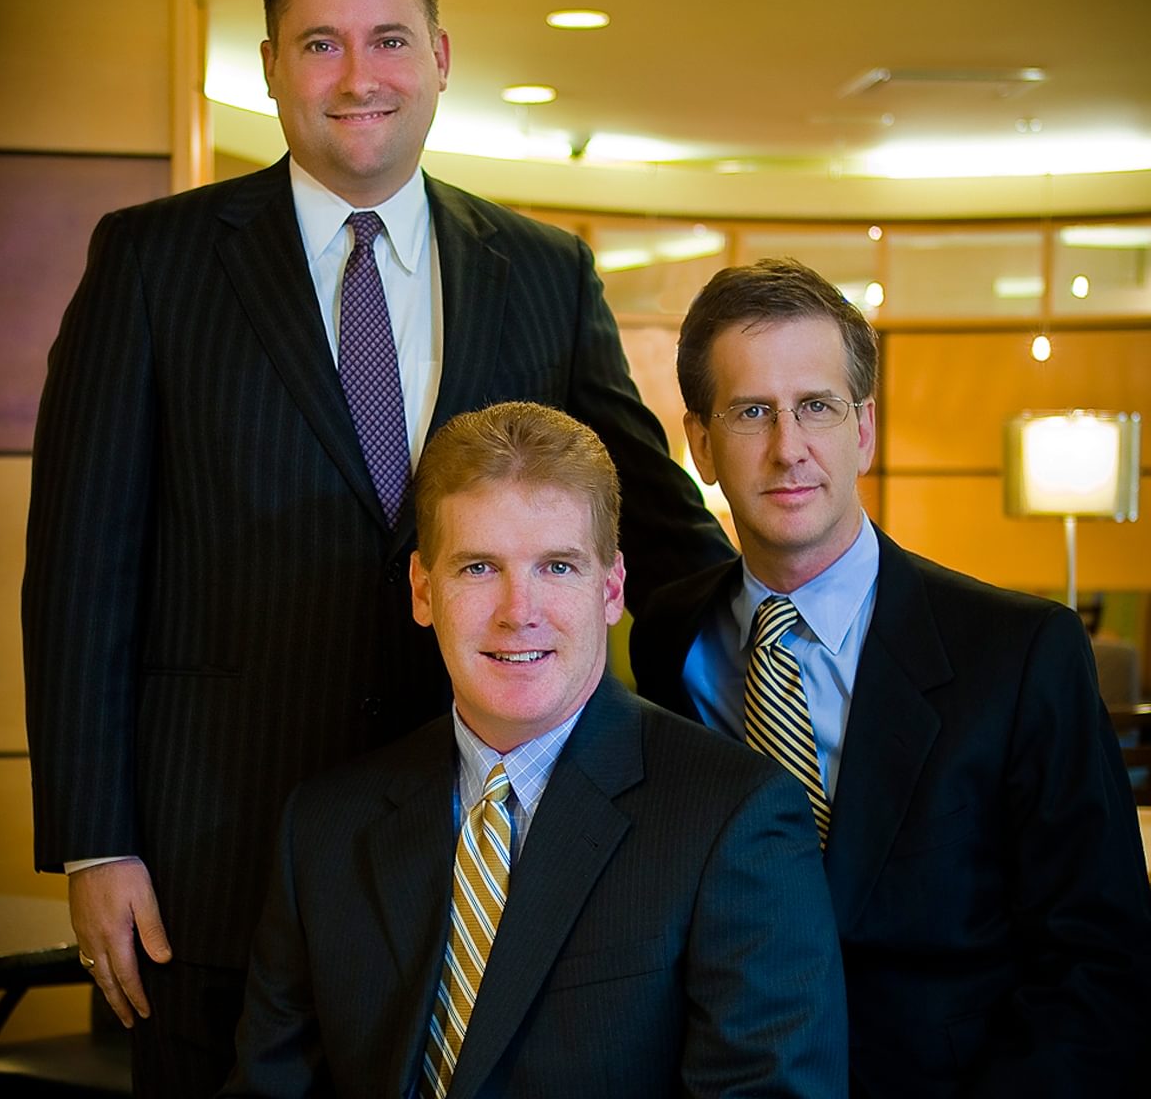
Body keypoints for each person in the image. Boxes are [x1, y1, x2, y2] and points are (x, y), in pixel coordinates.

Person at [21, 0, 731, 1095]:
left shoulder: (543, 273)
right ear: (270, 68)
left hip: (492, 846)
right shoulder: (152, 263)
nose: (360, 77)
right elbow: (82, 567)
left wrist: (791, 636)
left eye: (390, 39)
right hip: (219, 858)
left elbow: (650, 522)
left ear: (443, 58)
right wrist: (97, 839)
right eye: (320, 45)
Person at [630, 259, 1151, 1098]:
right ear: (701, 443)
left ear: (863, 429)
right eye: (752, 411)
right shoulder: (669, 636)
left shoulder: (1021, 655)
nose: (787, 447)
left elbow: (1101, 965)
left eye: (817, 408)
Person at [223, 401, 847, 1098]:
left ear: (611, 588)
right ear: (423, 590)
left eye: (556, 566)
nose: (518, 611)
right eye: (479, 568)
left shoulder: (735, 821)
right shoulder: (324, 827)